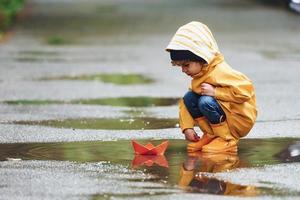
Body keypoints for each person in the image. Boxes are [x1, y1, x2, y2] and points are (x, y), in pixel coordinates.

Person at [165, 21, 257, 153]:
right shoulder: (199, 74)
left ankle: (227, 140)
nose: (183, 70)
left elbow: (246, 92)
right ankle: (211, 135)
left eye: (186, 65)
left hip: (238, 120)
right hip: (223, 115)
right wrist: (187, 128)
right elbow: (186, 103)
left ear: (200, 57)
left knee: (205, 101)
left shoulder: (220, 71)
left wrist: (215, 92)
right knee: (189, 97)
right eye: (180, 66)